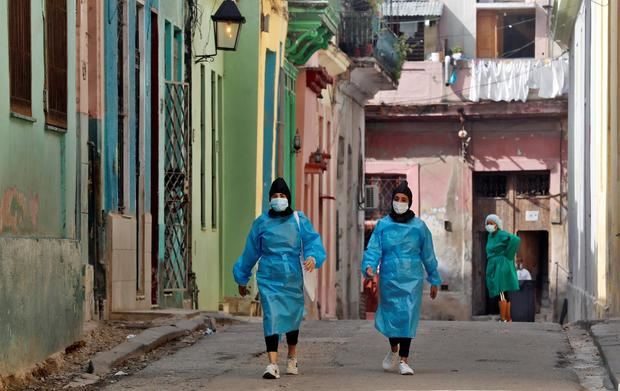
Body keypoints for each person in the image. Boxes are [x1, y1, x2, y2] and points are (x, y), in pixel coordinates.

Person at [233, 178, 326, 380]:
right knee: (272, 317)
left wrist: (312, 257)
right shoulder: (261, 223)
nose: (278, 199)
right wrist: (242, 277)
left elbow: (312, 242)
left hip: (292, 276)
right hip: (269, 276)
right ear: (269, 199)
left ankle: (292, 358)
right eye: (275, 196)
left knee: (292, 318)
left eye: (282, 196)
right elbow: (250, 251)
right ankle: (272, 364)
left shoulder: (299, 220)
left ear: (288, 198)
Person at [362, 181, 441, 376]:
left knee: (408, 316)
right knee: (391, 316)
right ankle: (393, 349)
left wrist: (434, 279)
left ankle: (404, 360)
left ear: (410, 202)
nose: (399, 202)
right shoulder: (383, 225)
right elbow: (373, 248)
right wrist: (369, 266)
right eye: (396, 199)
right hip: (389, 277)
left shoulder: (419, 227)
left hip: (412, 278)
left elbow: (428, 254)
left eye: (403, 200)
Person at [484, 214, 520, 322]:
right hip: (493, 264)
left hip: (500, 265)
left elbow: (515, 239)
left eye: (492, 223)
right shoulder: (490, 236)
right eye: (487, 223)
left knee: (501, 289)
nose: (489, 225)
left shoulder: (501, 234)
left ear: (497, 224)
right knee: (503, 291)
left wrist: (508, 255)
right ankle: (508, 318)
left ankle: (504, 318)